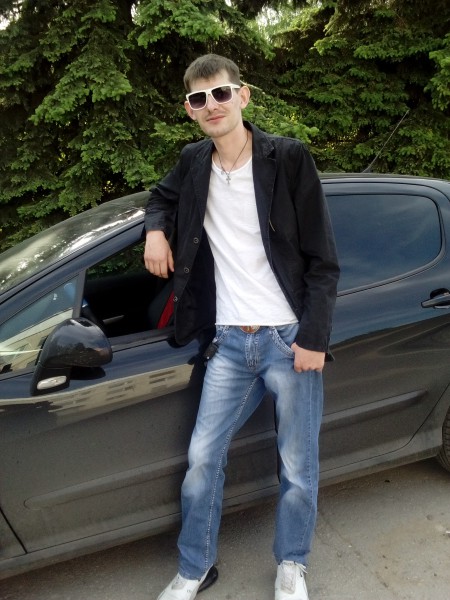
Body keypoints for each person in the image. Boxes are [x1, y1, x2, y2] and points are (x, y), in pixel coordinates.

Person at [144, 53, 339, 600]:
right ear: (189, 109)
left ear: (243, 96)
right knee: (202, 459)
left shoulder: (288, 158)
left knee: (297, 466)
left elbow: (323, 260)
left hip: (287, 340)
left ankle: (292, 563)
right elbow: (160, 198)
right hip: (229, 343)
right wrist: (155, 231)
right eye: (199, 98)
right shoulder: (193, 162)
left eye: (221, 93)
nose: (212, 105)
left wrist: (313, 339)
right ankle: (195, 567)